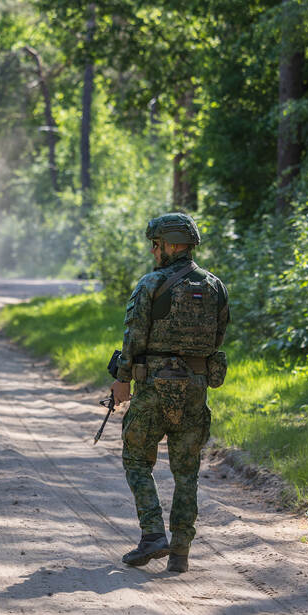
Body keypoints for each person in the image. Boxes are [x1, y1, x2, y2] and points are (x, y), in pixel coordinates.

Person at [112, 212, 229, 574]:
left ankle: (152, 536)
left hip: (153, 389)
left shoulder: (151, 284)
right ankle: (180, 552)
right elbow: (218, 338)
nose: (153, 251)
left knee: (135, 459)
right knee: (186, 471)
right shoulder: (214, 286)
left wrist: (123, 379)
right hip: (194, 389)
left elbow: (134, 337)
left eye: (156, 244)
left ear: (172, 244)